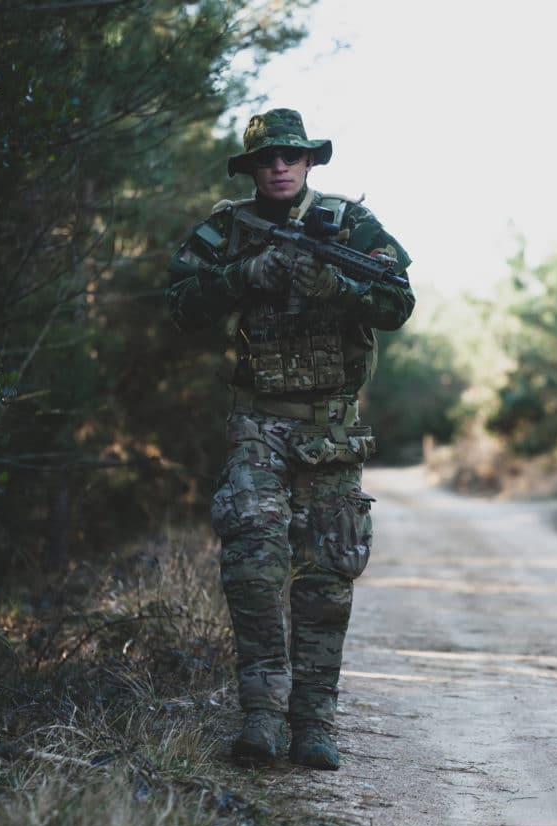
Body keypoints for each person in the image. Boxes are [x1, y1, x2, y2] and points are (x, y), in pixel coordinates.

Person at [166, 108, 415, 770]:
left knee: (327, 574)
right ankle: (261, 717)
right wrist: (244, 277)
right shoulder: (224, 230)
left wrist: (335, 285)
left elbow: (396, 305)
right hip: (257, 420)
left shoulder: (349, 226)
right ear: (251, 168)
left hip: (331, 424)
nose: (278, 166)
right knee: (252, 566)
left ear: (308, 162)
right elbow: (181, 307)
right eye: (266, 158)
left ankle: (314, 724)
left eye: (290, 156)